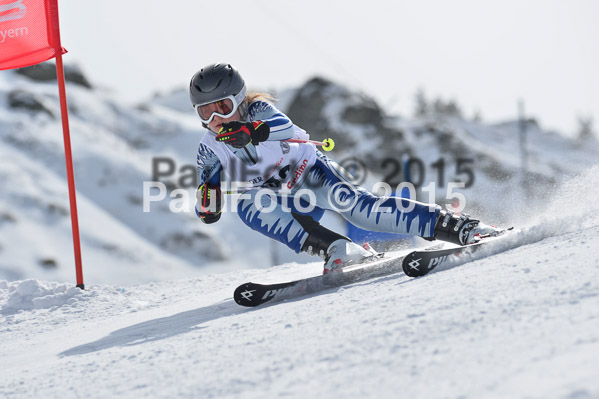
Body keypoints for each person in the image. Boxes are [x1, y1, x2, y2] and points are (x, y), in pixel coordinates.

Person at [190, 63, 502, 274]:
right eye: (205, 112)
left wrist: (253, 131)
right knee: (248, 207)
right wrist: (209, 204)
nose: (215, 118)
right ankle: (338, 248)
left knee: (361, 210)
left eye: (223, 107)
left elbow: (282, 126)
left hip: (310, 173)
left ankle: (458, 226)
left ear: (239, 100)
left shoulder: (257, 110)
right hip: (278, 196)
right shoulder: (210, 146)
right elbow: (209, 186)